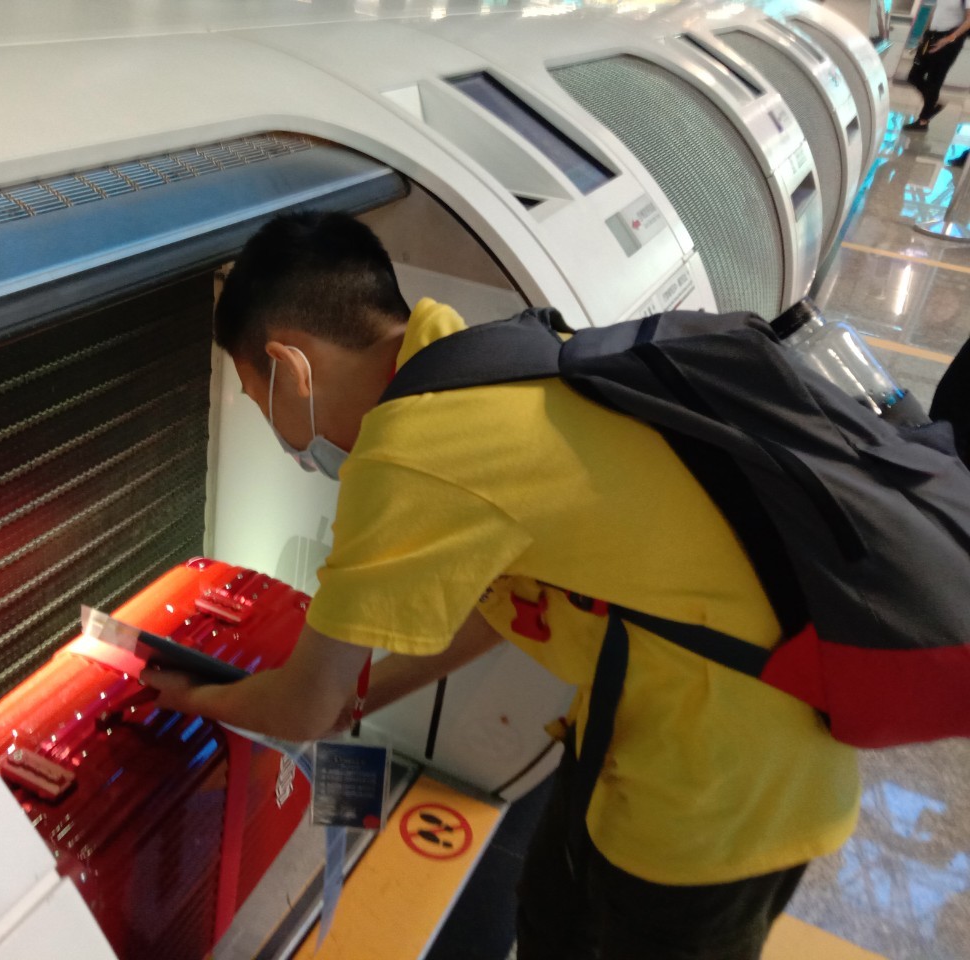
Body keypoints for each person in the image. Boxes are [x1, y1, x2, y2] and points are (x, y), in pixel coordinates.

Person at [145, 211, 860, 959]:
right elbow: (501, 607)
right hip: (669, 721)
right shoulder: (478, 356)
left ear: (291, 366)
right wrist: (362, 696)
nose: (281, 436)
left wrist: (191, 694)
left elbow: (303, 706)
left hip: (721, 783)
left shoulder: (412, 449)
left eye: (260, 401)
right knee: (549, 920)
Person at [903, 0, 970, 132]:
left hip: (949, 41)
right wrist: (925, 33)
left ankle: (923, 121)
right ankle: (934, 103)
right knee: (914, 76)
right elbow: (936, 11)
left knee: (934, 80)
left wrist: (948, 39)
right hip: (932, 35)